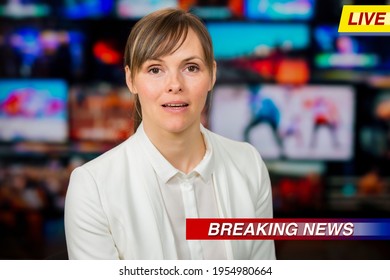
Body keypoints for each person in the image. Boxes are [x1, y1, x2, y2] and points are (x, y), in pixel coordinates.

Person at [64, 8, 275, 260]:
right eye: (155, 69)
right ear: (131, 79)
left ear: (212, 75)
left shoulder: (248, 163)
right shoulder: (91, 187)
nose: (175, 85)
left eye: (191, 68)